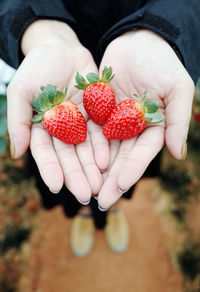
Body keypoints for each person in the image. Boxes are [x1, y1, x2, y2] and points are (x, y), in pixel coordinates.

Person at [0, 0, 199, 257]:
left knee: (122, 168)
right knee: (69, 173)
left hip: (136, 66)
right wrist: (37, 30)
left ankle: (112, 208)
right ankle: (83, 211)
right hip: (59, 69)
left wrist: (161, 30)